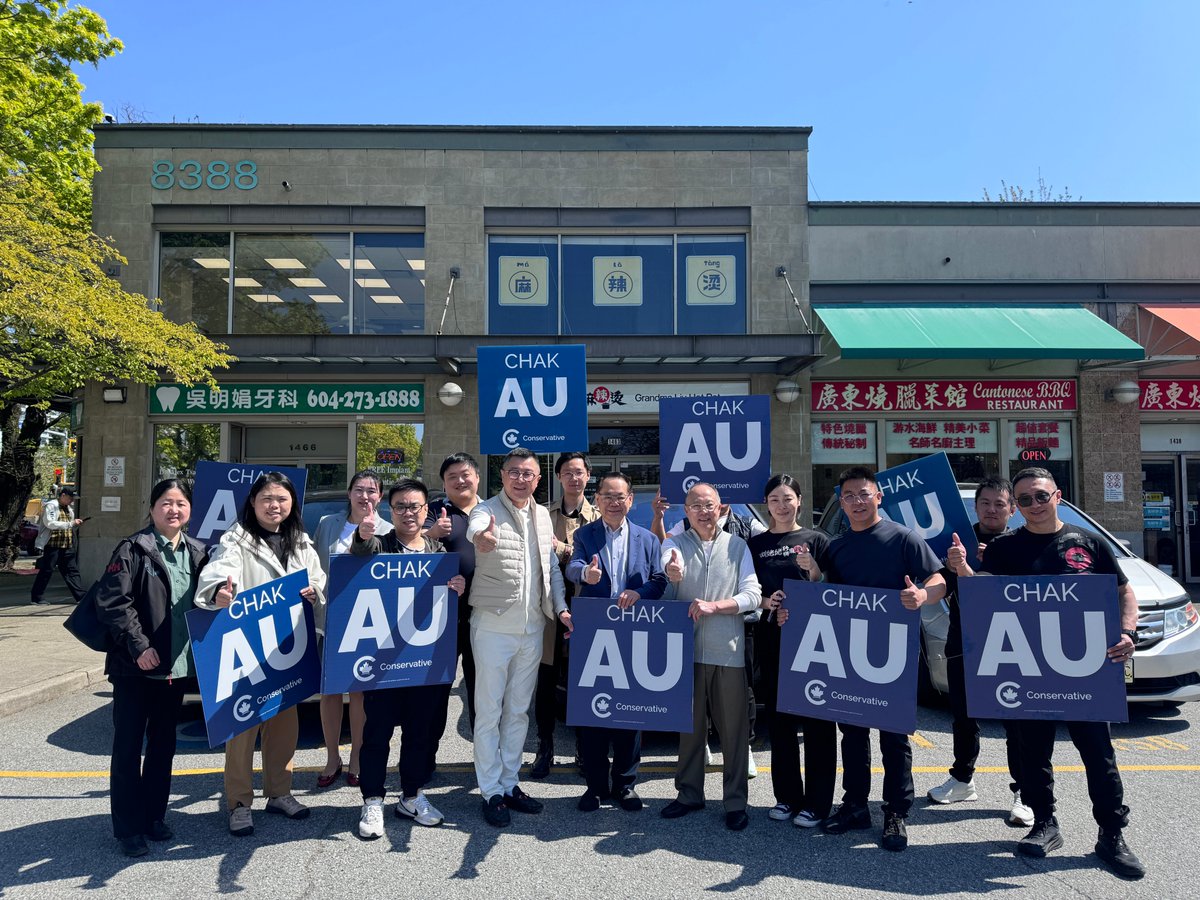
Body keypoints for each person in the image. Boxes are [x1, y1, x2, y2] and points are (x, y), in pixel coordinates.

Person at [977, 467, 1145, 879]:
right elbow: (982, 597)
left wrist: (1127, 632)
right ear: (1017, 507)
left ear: (1058, 496)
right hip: (1029, 669)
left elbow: (1123, 591)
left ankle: (1111, 834)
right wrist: (962, 569)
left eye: (1040, 496)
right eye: (1024, 500)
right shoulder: (1003, 548)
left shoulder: (1087, 541)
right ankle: (1044, 823)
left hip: (1086, 670)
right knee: (1033, 753)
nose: (1033, 504)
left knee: (1099, 755)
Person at [816, 466, 946, 852]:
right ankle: (855, 805)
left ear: (878, 497)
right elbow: (822, 598)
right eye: (849, 496)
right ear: (841, 502)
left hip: (895, 652)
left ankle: (896, 812)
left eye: (864, 494)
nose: (857, 501)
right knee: (853, 735)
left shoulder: (904, 538)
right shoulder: (836, 547)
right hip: (849, 653)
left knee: (894, 738)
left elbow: (939, 581)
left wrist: (922, 596)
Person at [195, 472, 326, 837]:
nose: (274, 505)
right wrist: (219, 591)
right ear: (252, 503)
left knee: (284, 726)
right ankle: (238, 802)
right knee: (241, 728)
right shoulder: (236, 539)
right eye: (267, 498)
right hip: (249, 649)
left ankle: (279, 793)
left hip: (287, 647)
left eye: (282, 499)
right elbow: (220, 571)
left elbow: (317, 577)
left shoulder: (300, 540)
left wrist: (314, 590)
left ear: (292, 503)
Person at [96, 479, 209, 857]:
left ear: (190, 510)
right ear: (151, 508)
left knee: (163, 747)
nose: (173, 510)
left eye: (181, 503)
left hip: (175, 668)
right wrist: (139, 646)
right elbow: (114, 602)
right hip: (135, 667)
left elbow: (207, 600)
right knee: (128, 748)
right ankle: (128, 828)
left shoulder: (198, 552)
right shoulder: (132, 548)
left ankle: (154, 817)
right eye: (166, 503)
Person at [352, 478, 467, 839]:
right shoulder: (379, 545)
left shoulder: (438, 550)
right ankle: (372, 799)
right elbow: (359, 554)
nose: (408, 513)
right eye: (400, 506)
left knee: (420, 733)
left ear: (425, 510)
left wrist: (458, 586)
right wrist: (361, 535)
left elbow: (450, 595)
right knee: (377, 732)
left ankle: (412, 795)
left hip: (425, 660)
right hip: (383, 661)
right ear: (391, 510)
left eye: (414, 506)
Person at [466, 447, 571, 827]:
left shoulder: (542, 515)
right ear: (503, 475)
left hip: (532, 628)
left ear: (538, 479)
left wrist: (560, 608)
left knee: (517, 711)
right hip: (493, 626)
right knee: (489, 711)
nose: (520, 479)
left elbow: (551, 570)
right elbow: (476, 528)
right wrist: (481, 538)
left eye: (528, 473)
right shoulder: (486, 510)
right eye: (514, 472)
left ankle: (510, 783)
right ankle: (490, 790)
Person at [927, 476, 1031, 827]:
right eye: (985, 503)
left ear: (1012, 509)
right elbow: (942, 583)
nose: (991, 510)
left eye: (1000, 504)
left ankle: (1025, 791)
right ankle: (962, 779)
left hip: (1012, 645)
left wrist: (994, 564)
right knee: (964, 715)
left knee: (1016, 720)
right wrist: (927, 589)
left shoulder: (1023, 543)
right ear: (976, 507)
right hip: (965, 640)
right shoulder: (959, 542)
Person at [659, 482, 762, 831]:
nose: (703, 512)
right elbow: (667, 565)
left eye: (709, 505)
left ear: (721, 508)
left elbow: (753, 594)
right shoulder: (674, 544)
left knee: (733, 731)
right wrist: (672, 571)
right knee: (689, 728)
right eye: (696, 506)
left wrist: (716, 606)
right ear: (686, 511)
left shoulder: (737, 546)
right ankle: (689, 794)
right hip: (684, 652)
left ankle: (735, 802)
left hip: (726, 650)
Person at [565, 470, 667, 812]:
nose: (613, 502)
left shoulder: (647, 539)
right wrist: (586, 573)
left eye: (620, 496)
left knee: (630, 714)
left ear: (630, 500)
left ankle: (625, 785)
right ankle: (595, 786)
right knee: (592, 712)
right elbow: (573, 566)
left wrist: (640, 593)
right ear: (597, 500)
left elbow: (659, 580)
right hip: (595, 634)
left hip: (633, 635)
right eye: (607, 496)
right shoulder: (585, 534)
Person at [748, 474, 833, 828]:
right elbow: (749, 591)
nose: (782, 506)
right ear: (766, 504)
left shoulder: (817, 540)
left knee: (817, 722)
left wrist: (814, 571)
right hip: (772, 639)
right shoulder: (755, 545)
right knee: (780, 721)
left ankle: (818, 803)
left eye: (788, 498)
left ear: (799, 500)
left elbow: (833, 593)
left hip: (816, 644)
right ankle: (786, 797)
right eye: (774, 500)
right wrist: (769, 602)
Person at [312, 469, 393, 789]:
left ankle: (357, 756)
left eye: (372, 491)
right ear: (349, 493)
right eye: (359, 489)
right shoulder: (327, 524)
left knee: (359, 693)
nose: (365, 496)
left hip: (366, 622)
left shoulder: (388, 530)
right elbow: (314, 566)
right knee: (330, 692)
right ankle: (332, 757)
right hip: (330, 618)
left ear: (380, 497)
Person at [533, 451, 600, 778]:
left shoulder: (599, 517)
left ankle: (584, 749)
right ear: (558, 477)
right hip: (548, 608)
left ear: (588, 476)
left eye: (579, 472)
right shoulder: (542, 514)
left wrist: (562, 549)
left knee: (583, 679)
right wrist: (566, 552)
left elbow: (598, 559)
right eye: (568, 473)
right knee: (546, 679)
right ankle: (544, 747)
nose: (574, 478)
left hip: (586, 607)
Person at [424, 452, 481, 743]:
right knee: (436, 689)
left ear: (477, 477)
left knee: (481, 687)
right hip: (441, 616)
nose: (460, 481)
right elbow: (411, 544)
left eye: (465, 474)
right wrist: (432, 533)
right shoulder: (434, 510)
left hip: (483, 613)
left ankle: (485, 757)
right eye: (452, 477)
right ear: (444, 484)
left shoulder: (492, 510)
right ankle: (427, 756)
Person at [30, 487, 85, 605]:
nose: (72, 501)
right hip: (52, 545)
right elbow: (50, 523)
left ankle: (81, 597)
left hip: (67, 545)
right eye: (70, 498)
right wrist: (70, 523)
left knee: (72, 571)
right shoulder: (51, 506)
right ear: (63, 495)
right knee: (46, 570)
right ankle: (36, 597)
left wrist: (74, 524)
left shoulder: (68, 509)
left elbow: (68, 525)